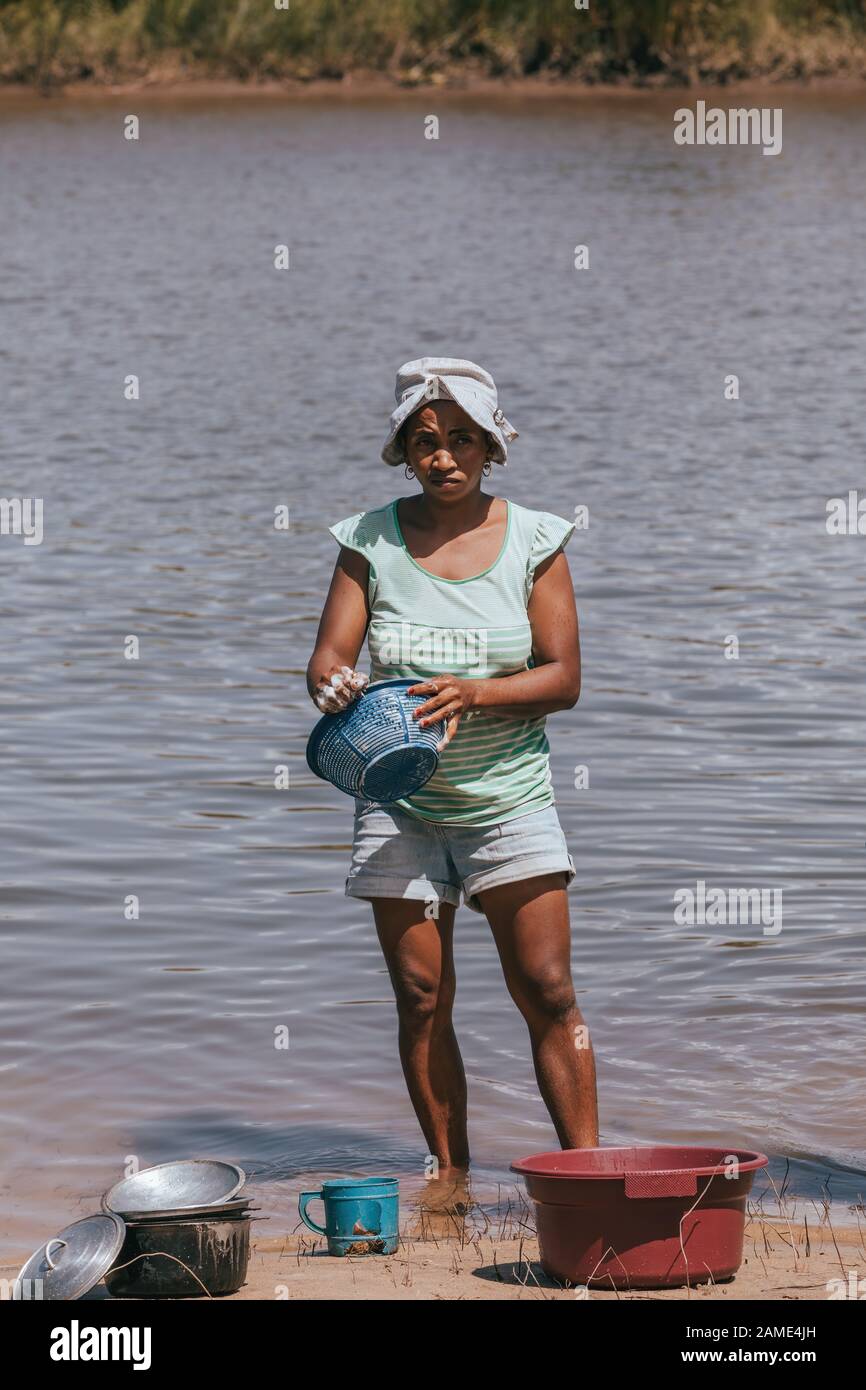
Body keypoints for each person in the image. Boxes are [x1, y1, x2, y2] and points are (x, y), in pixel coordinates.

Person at [307, 357, 598, 1182]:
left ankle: (586, 1177)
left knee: (545, 987)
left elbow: (563, 677)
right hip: (398, 800)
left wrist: (475, 693)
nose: (443, 457)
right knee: (422, 998)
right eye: (425, 441)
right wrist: (332, 684)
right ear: (405, 448)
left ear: (491, 447)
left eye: (462, 439)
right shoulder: (368, 539)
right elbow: (328, 656)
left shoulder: (535, 539)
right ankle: (452, 1177)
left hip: (508, 798)